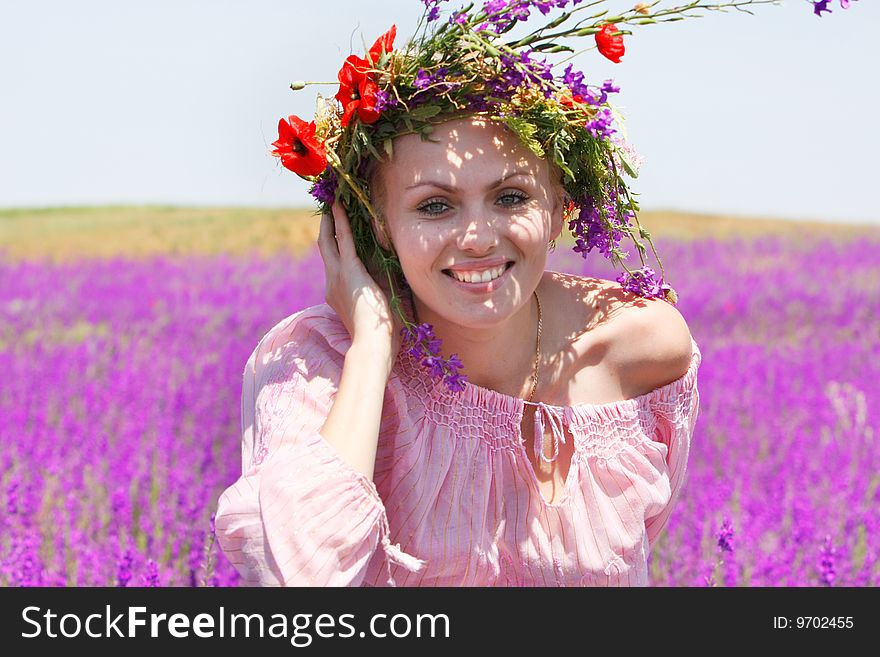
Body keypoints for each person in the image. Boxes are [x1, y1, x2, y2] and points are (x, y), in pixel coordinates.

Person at [214, 2, 707, 586]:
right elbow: (300, 578)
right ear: (377, 226)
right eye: (435, 205)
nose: (477, 239)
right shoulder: (311, 361)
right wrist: (372, 349)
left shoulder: (642, 347)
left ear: (558, 209)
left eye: (511, 197)